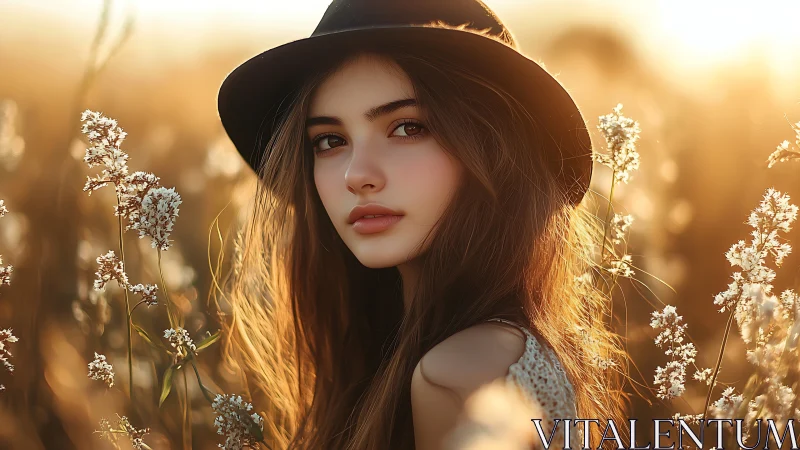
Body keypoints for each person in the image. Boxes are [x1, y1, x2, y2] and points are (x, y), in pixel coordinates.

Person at [214, 0, 629, 448]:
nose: (357, 175)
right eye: (330, 140)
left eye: (407, 128)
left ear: (491, 147)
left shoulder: (458, 373)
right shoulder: (479, 351)